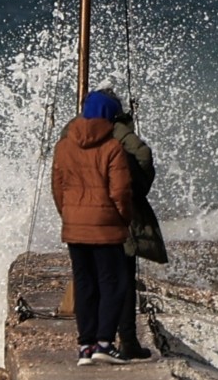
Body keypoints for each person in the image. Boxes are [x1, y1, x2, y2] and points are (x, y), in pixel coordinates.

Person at [49, 89, 134, 365]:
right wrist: (123, 219)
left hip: (74, 225)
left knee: (84, 283)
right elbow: (121, 192)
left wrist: (69, 215)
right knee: (114, 284)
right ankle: (105, 343)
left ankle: (85, 346)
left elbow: (58, 188)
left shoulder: (63, 146)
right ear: (109, 116)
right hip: (105, 227)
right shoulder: (112, 148)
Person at [94, 88, 167, 359]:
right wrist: (138, 190)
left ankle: (89, 345)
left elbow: (60, 176)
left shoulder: (73, 133)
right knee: (122, 282)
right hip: (117, 219)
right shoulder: (118, 131)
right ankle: (126, 341)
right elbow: (143, 156)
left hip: (85, 221)